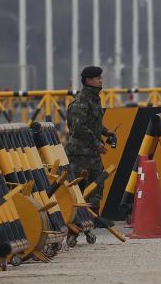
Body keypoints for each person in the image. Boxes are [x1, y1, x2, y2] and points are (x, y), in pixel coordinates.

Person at [65, 65, 113, 227]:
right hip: (79, 153)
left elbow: (94, 123)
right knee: (79, 186)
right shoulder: (82, 101)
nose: (101, 80)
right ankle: (77, 219)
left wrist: (107, 133)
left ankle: (94, 217)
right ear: (89, 80)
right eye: (98, 78)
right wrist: (97, 143)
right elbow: (78, 128)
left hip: (90, 152)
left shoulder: (93, 98)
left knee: (97, 182)